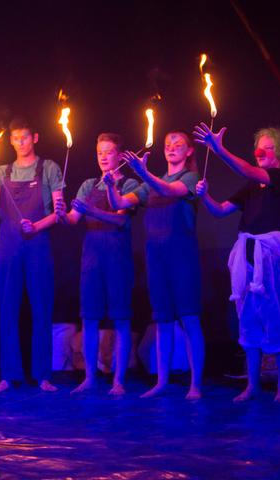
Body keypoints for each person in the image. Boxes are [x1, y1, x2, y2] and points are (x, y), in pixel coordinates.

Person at [194, 123, 280, 403]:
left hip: (272, 253)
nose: (260, 151)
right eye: (259, 146)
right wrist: (204, 196)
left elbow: (246, 169)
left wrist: (219, 149)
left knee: (278, 314)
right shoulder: (251, 187)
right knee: (249, 316)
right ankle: (253, 386)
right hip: (248, 252)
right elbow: (219, 212)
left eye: (268, 146)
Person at [104, 131, 205, 400]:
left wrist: (144, 172)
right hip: (155, 256)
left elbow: (169, 190)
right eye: (168, 145)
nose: (172, 148)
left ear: (189, 151)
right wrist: (112, 185)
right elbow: (120, 204)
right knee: (162, 320)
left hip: (181, 255)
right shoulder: (149, 185)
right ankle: (162, 381)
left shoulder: (190, 178)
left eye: (178, 145)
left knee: (189, 317)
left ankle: (195, 385)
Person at [0, 117, 62, 394]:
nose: (20, 143)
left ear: (34, 138)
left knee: (41, 307)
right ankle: (8, 375)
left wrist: (36, 226)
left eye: (25, 137)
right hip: (9, 243)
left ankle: (43, 375)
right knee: (7, 307)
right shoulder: (1, 171)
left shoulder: (48, 168)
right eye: (15, 138)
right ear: (10, 140)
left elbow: (59, 212)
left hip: (37, 242)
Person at [55, 133, 139, 395]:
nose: (103, 156)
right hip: (91, 258)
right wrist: (60, 214)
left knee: (121, 320)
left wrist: (91, 211)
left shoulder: (129, 183)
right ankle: (90, 377)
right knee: (89, 319)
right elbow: (72, 219)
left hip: (117, 257)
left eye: (109, 151)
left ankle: (119, 380)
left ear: (119, 155)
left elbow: (120, 220)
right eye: (99, 152)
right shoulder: (88, 185)